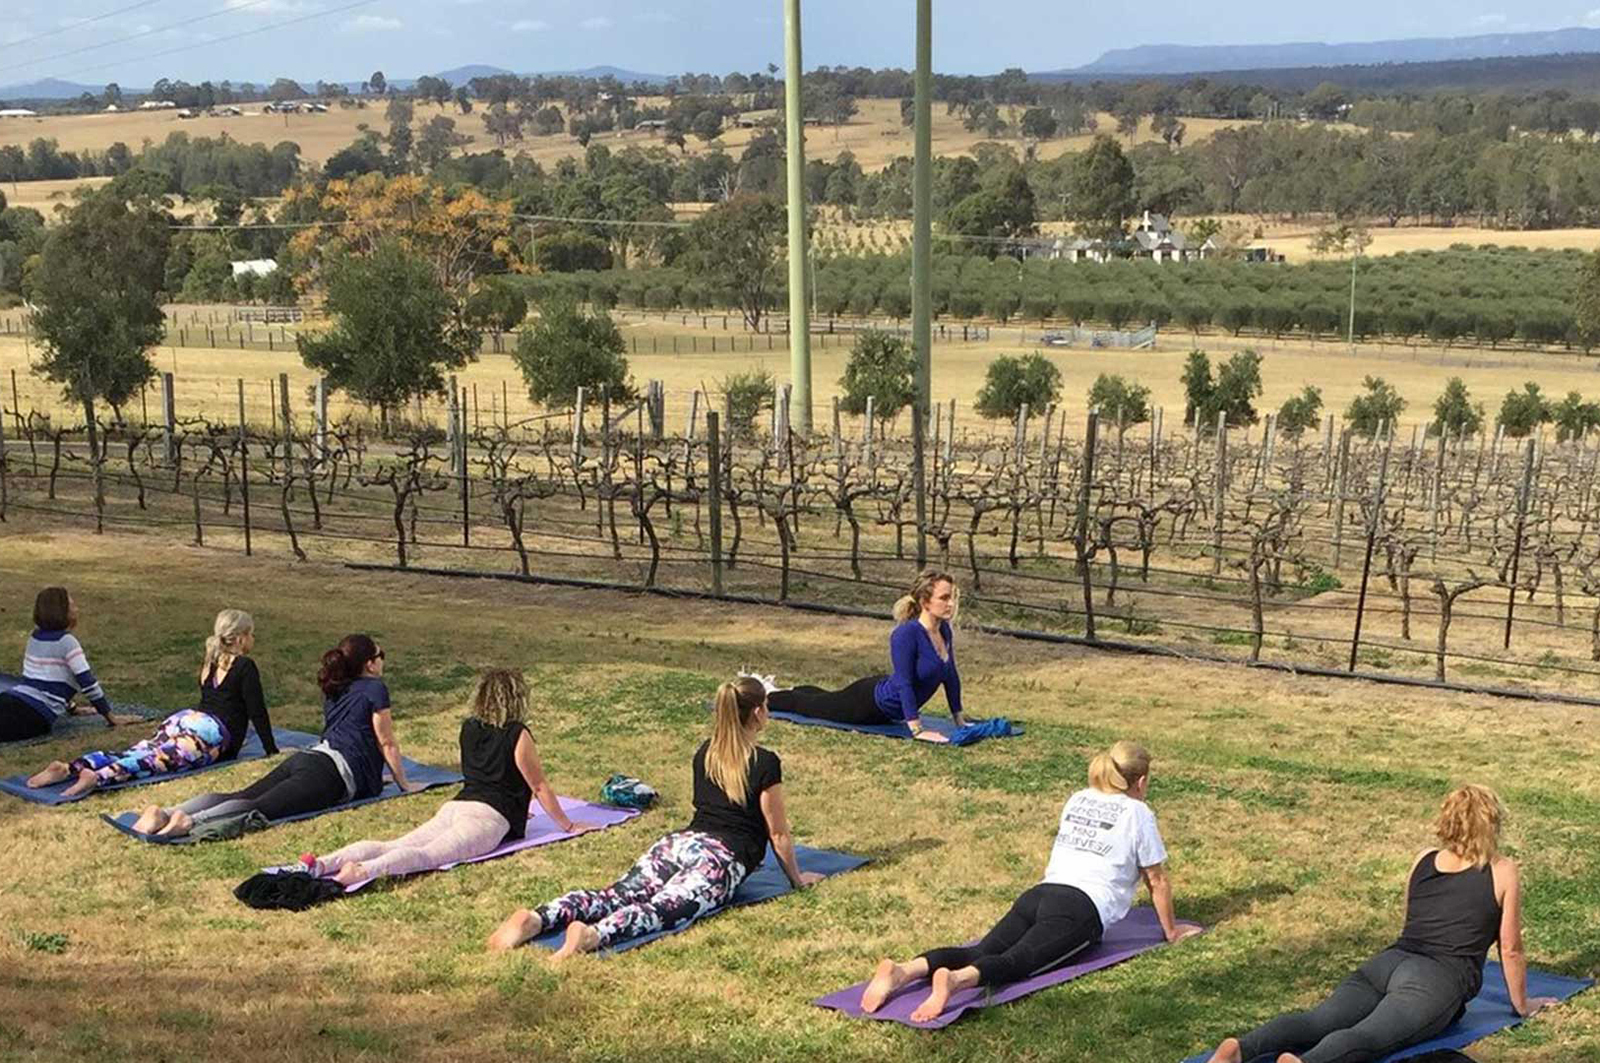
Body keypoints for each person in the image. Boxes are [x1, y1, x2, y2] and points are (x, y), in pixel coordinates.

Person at [1203, 785, 1558, 1063]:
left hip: (1390, 962)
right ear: (1490, 825)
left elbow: (1412, 921)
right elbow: (1510, 948)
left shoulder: (1424, 859)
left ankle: (1240, 1048)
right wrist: (1522, 1004)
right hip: (1437, 980)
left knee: (1318, 1020)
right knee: (1370, 1037)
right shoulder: (1501, 870)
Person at [861, 741, 1201, 1022]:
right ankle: (956, 980)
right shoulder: (1138, 813)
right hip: (1079, 910)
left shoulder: (1079, 797)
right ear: (1140, 782)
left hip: (1038, 895)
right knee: (1020, 961)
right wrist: (1171, 932)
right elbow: (1157, 880)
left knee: (980, 949)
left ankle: (904, 970)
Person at [486, 675, 822, 956]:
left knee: (617, 893)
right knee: (665, 908)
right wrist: (796, 880)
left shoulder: (705, 752)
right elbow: (777, 833)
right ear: (760, 712)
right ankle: (592, 936)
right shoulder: (765, 763)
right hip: (720, 859)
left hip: (679, 843)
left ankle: (539, 917)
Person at [299, 668, 600, 885]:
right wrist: (569, 824)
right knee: (426, 856)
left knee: (397, 842)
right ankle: (363, 872)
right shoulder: (517, 734)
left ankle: (323, 863)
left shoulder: (469, 727)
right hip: (487, 818)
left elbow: (487, 774)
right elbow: (538, 785)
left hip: (457, 806)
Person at [130, 634, 421, 837]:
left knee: (242, 795)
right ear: (370, 664)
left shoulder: (337, 686)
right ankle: (190, 820)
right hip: (330, 774)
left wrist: (373, 775)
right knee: (260, 807)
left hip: (311, 757)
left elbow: (352, 735)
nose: (383, 661)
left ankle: (167, 811)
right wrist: (404, 785)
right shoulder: (375, 688)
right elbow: (387, 742)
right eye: (380, 655)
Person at [25, 609, 275, 798]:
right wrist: (271, 751)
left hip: (186, 719)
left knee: (139, 750)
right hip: (212, 733)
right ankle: (97, 777)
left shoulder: (210, 661)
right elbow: (257, 711)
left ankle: (71, 767)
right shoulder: (244, 666)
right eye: (251, 634)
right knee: (155, 761)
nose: (253, 639)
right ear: (241, 639)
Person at [762, 570, 968, 743]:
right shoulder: (906, 633)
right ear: (925, 602)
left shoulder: (944, 632)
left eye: (952, 598)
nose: (950, 604)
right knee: (808, 707)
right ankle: (764, 695)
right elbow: (905, 682)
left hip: (883, 693)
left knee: (827, 698)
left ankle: (791, 689)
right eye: (944, 598)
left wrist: (960, 721)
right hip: (869, 705)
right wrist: (917, 730)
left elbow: (950, 677)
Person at [1, 587, 141, 743]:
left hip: (12, 698)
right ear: (61, 612)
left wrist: (72, 708)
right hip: (34, 713)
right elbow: (87, 682)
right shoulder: (68, 643)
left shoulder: (35, 637)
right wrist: (111, 717)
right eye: (72, 605)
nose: (77, 609)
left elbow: (47, 679)